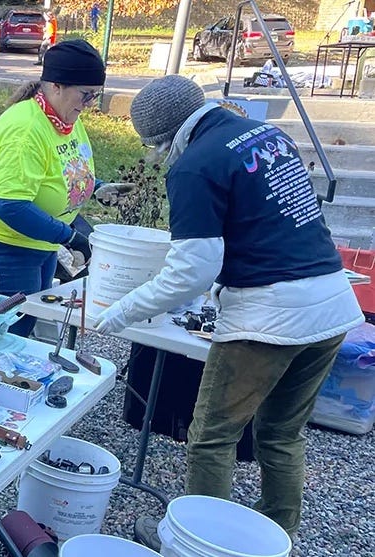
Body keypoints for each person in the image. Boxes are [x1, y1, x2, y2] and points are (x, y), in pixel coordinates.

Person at [96, 75, 364, 541]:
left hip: (270, 318)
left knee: (211, 437)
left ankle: (203, 543)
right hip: (334, 304)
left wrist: (120, 312)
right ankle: (277, 534)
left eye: (154, 147)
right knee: (281, 433)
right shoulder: (265, 135)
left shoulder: (195, 165)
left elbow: (190, 273)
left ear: (165, 138)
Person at [0, 40, 109, 338]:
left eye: (95, 95)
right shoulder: (25, 129)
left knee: (25, 323)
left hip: (39, 241)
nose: (89, 103)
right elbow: (11, 206)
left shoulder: (65, 117)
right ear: (57, 86)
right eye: (86, 94)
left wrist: (98, 187)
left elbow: (63, 168)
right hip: (0, 243)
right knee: (6, 333)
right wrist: (70, 237)